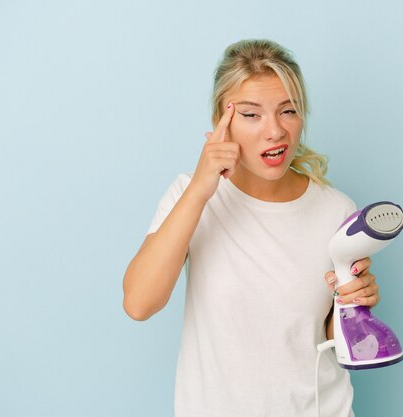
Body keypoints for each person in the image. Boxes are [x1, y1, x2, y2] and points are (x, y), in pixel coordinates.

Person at [122, 39, 381, 417]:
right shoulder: (189, 195)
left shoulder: (336, 210)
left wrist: (353, 307)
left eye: (287, 111)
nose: (275, 131)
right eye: (251, 114)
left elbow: (333, 343)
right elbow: (139, 303)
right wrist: (200, 190)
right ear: (220, 122)